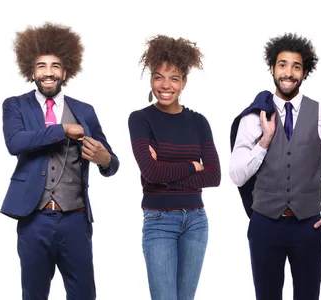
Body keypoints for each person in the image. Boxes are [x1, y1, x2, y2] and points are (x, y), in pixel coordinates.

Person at [0, 22, 119, 300]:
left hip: (75, 220)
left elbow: (111, 162)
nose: (48, 72)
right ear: (32, 72)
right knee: (34, 294)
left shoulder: (85, 111)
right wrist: (62, 130)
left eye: (55, 66)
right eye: (41, 66)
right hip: (34, 219)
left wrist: (104, 159)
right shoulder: (15, 105)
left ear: (65, 72)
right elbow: (15, 143)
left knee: (84, 295)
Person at [229, 33, 321, 300]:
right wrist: (265, 139)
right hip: (264, 224)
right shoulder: (253, 117)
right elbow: (237, 175)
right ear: (272, 69)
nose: (288, 72)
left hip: (308, 226)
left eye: (296, 66)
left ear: (305, 72)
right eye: (282, 65)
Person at [127, 35, 221, 300]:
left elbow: (214, 176)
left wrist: (165, 173)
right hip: (159, 220)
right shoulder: (140, 119)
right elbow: (151, 173)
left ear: (184, 83)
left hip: (196, 221)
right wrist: (193, 165)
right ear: (150, 79)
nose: (165, 85)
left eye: (174, 78)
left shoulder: (199, 122)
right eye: (158, 77)